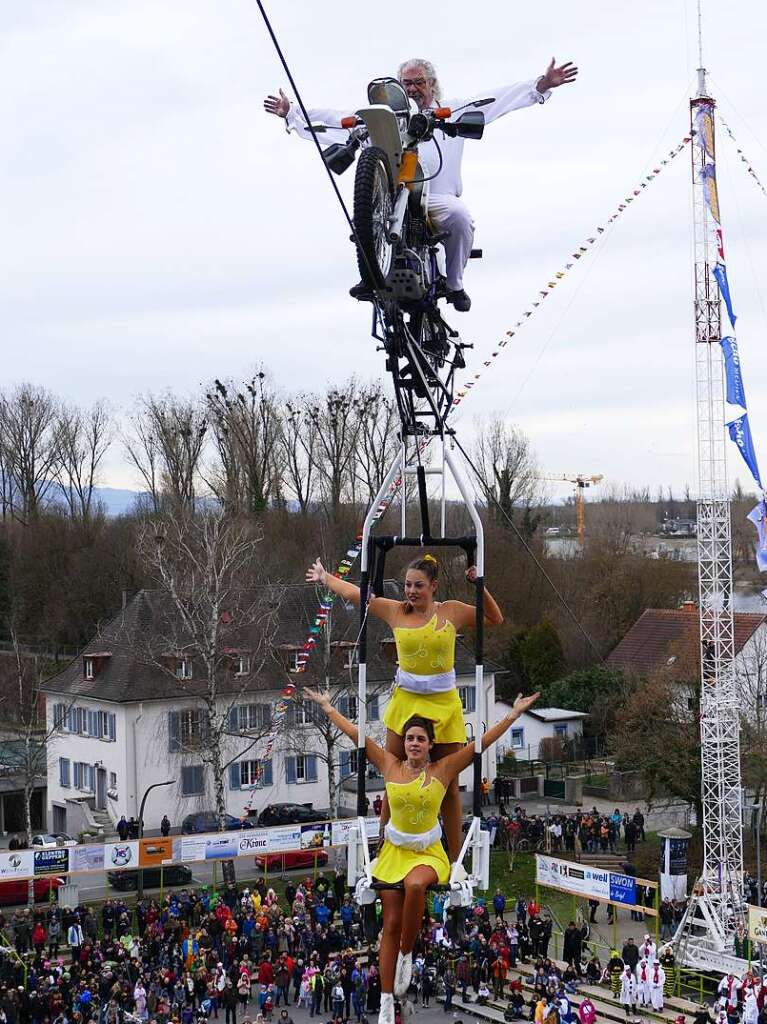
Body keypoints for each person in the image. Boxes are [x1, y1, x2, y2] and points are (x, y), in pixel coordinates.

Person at [302, 685, 538, 1024]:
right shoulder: (389, 764)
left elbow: (480, 745)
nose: (413, 743)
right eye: (409, 738)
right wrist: (327, 708)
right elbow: (358, 736)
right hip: (395, 853)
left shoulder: (441, 770)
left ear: (429, 745)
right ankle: (386, 1000)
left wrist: (512, 714)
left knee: (415, 887)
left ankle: (407, 956)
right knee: (392, 924)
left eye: (420, 739)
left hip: (428, 853)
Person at [265, 57, 577, 312]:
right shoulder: (388, 119)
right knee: (361, 216)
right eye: (407, 84)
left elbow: (496, 99)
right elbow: (336, 120)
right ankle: (372, 274)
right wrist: (291, 113)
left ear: (431, 84)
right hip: (393, 196)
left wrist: (541, 85)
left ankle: (454, 285)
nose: (412, 89)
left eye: (418, 83)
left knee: (460, 217)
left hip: (435, 197)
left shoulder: (450, 110)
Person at [305, 553, 504, 871]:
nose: (411, 591)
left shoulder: (451, 611)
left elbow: (494, 619)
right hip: (406, 702)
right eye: (408, 585)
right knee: (393, 776)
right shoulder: (395, 610)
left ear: (434, 586)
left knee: (449, 783)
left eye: (418, 586)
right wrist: (326, 578)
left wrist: (479, 584)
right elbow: (355, 594)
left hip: (443, 705)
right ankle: (386, 848)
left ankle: (454, 860)